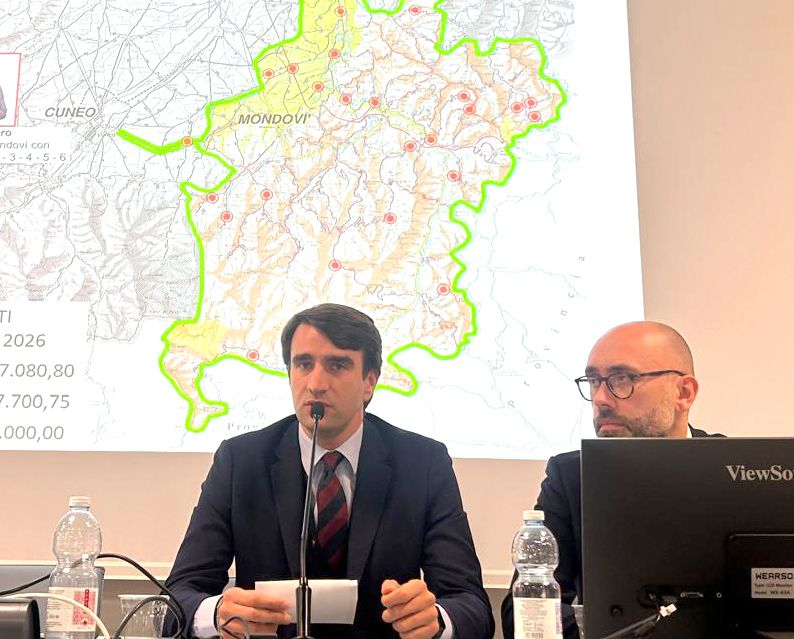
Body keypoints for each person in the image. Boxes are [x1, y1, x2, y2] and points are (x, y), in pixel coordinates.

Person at [166, 303, 494, 639]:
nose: (316, 384)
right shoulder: (240, 461)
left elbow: (471, 605)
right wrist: (216, 613)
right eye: (303, 364)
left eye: (337, 365)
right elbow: (177, 597)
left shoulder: (422, 463)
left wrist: (436, 620)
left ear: (369, 382)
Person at [500, 321, 723, 639]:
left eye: (622, 379)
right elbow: (524, 613)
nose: (601, 399)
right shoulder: (571, 477)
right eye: (594, 381)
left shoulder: (735, 471)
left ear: (683, 393)